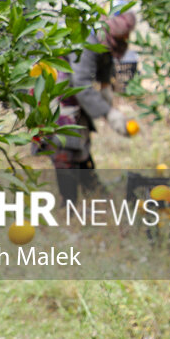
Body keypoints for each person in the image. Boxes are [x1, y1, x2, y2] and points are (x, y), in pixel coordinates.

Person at [35, 11, 137, 202]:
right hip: (56, 89)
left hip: (71, 89)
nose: (124, 39)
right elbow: (81, 85)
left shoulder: (105, 38)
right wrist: (110, 113)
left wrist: (106, 85)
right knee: (64, 141)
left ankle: (92, 188)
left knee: (79, 135)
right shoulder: (88, 40)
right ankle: (69, 203)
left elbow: (106, 59)